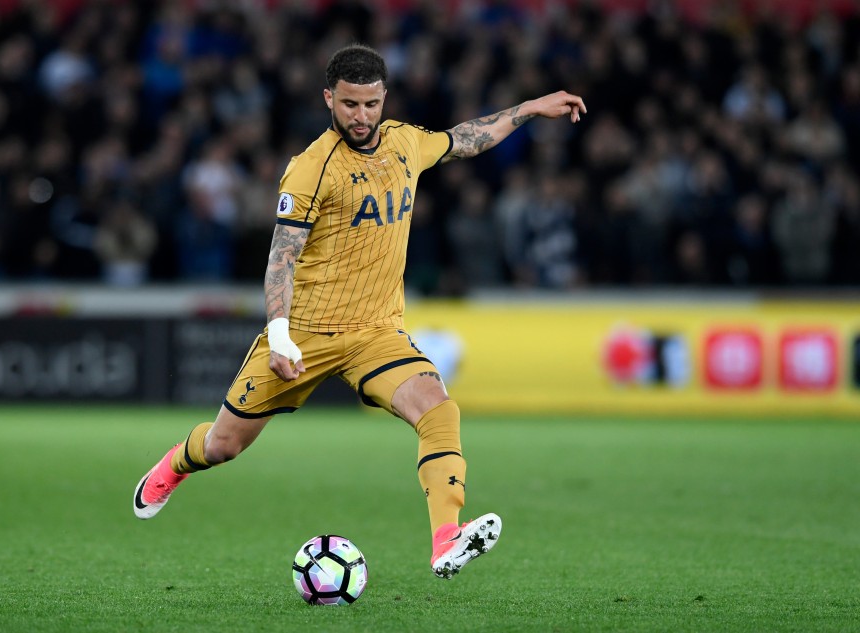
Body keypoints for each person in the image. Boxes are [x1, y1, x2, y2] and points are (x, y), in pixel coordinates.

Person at [133, 44, 586, 579]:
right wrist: (279, 335)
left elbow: (464, 139)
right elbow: (282, 258)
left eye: (371, 104)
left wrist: (529, 108)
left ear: (384, 97)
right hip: (304, 333)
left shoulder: (405, 142)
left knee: (439, 410)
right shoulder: (310, 168)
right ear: (329, 98)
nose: (362, 116)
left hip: (377, 333)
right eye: (349, 104)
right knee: (223, 446)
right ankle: (174, 465)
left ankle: (446, 537)